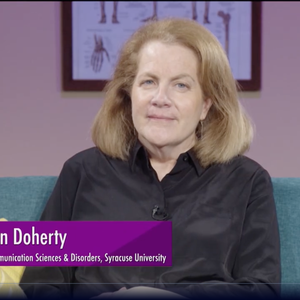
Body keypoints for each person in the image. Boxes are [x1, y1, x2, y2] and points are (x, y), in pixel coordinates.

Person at [19, 18, 281, 299]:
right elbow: (41, 284)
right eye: (148, 82)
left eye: (180, 85)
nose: (160, 98)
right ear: (129, 94)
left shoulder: (247, 181)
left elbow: (262, 288)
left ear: (206, 105)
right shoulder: (81, 172)